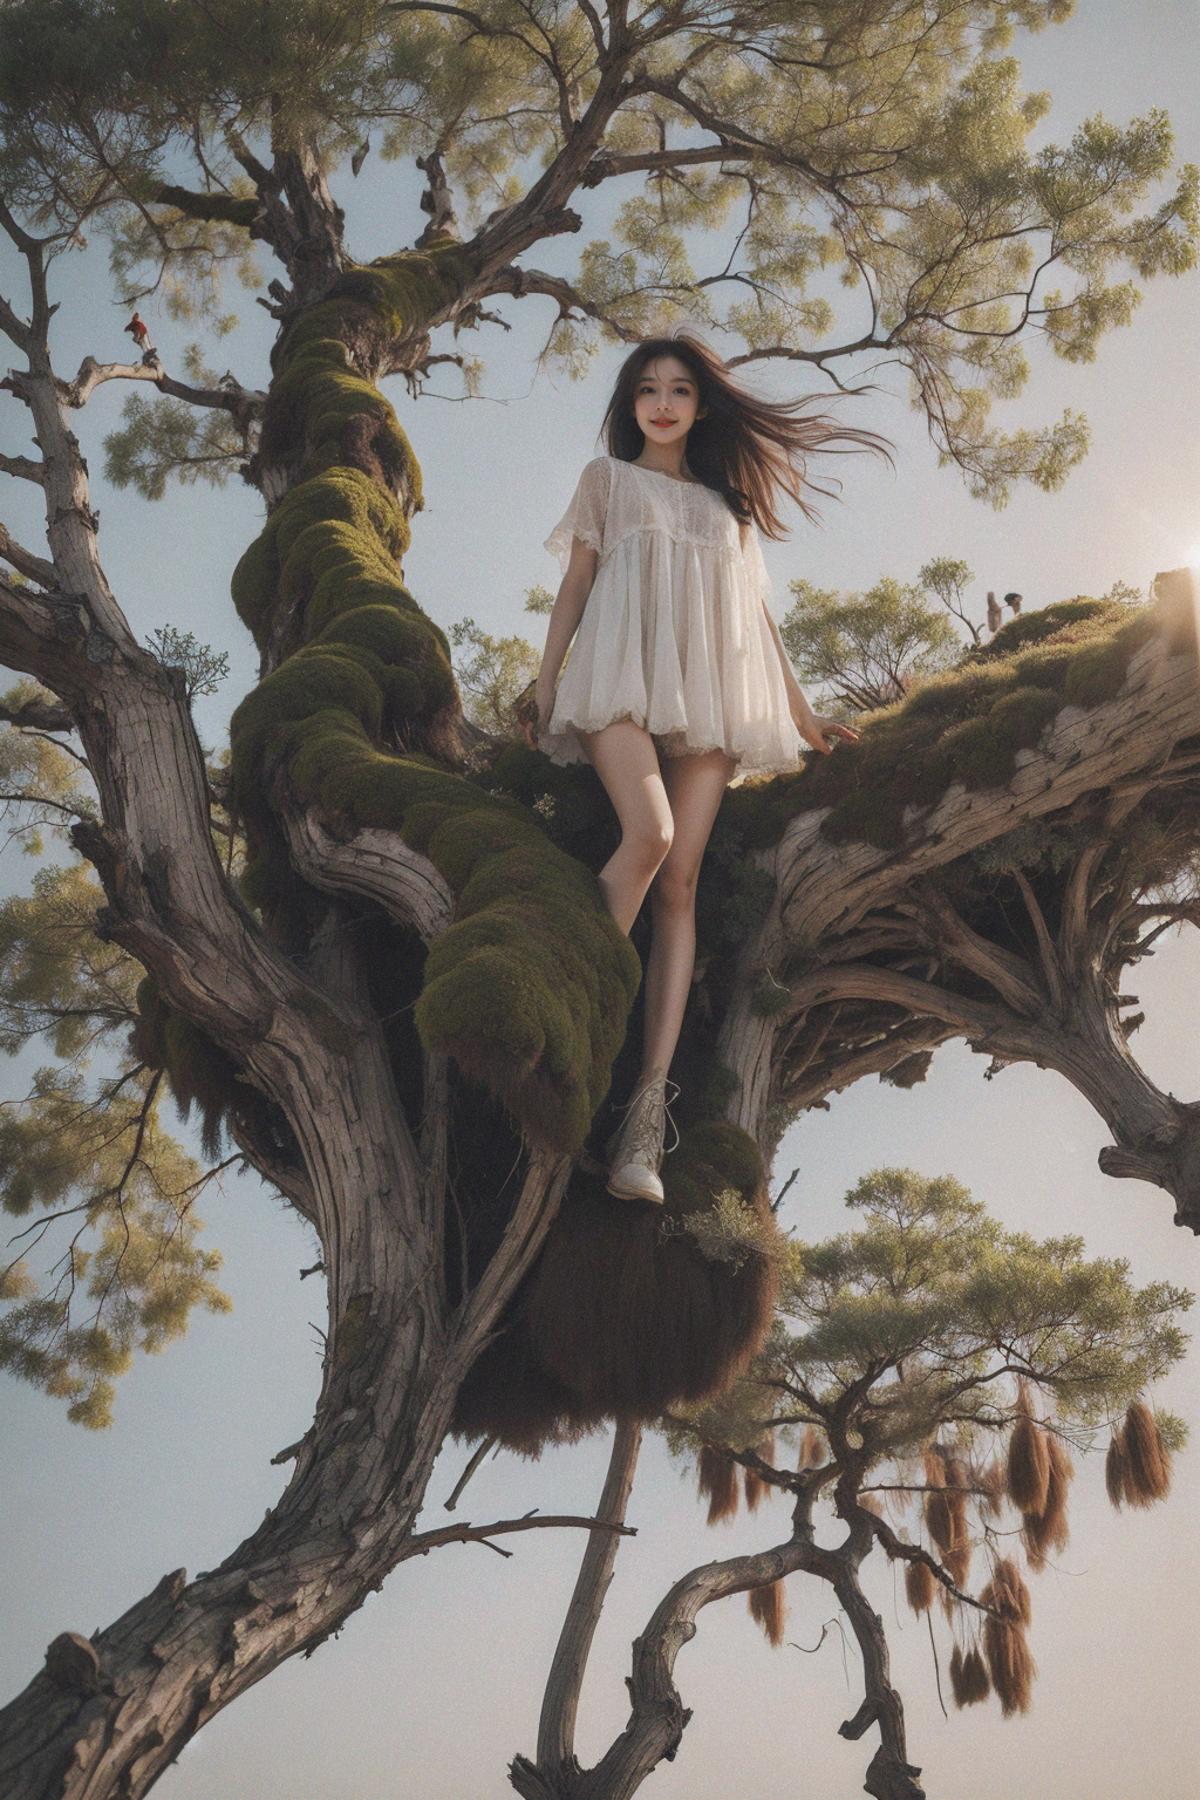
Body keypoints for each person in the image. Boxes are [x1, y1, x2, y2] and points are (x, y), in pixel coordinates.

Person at [522, 331, 889, 1206]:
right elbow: (575, 586)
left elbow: (756, 619)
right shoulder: (607, 482)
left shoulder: (730, 510)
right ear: (629, 404)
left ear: (700, 405)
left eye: (679, 389)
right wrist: (544, 684)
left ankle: (644, 1118)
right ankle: (571, 1021)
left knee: (679, 880)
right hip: (618, 681)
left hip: (712, 697)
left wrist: (800, 714)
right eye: (646, 389)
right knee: (648, 834)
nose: (662, 402)